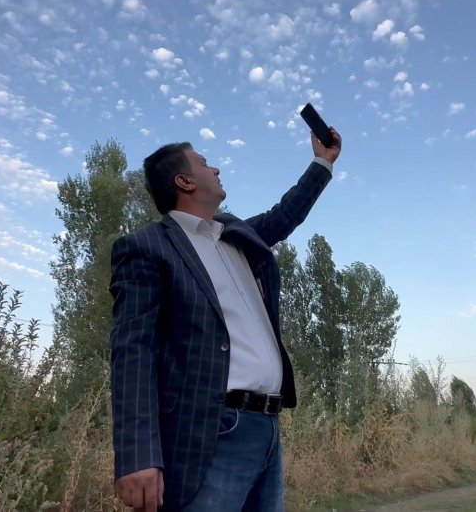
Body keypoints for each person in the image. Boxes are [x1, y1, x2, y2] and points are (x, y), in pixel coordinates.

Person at [108, 126, 343, 511]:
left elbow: (285, 215)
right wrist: (137, 454)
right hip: (212, 431)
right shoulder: (148, 247)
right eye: (204, 163)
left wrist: (323, 162)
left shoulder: (235, 234)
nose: (215, 169)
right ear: (184, 181)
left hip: (267, 428)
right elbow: (133, 350)